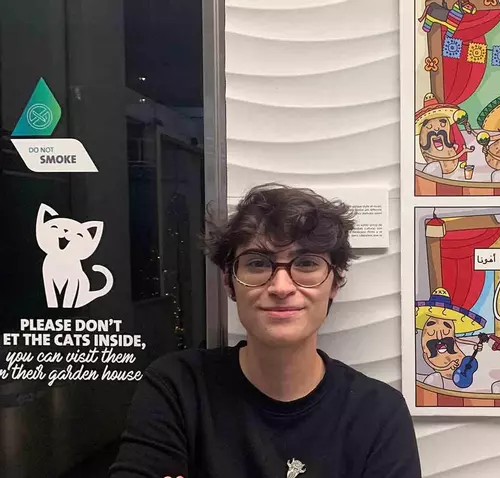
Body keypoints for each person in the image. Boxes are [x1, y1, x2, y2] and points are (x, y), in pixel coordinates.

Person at [109, 183, 422, 477]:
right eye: (258, 263)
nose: (281, 287)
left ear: (335, 282)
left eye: (306, 263)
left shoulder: (378, 413)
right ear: (229, 282)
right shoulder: (177, 389)